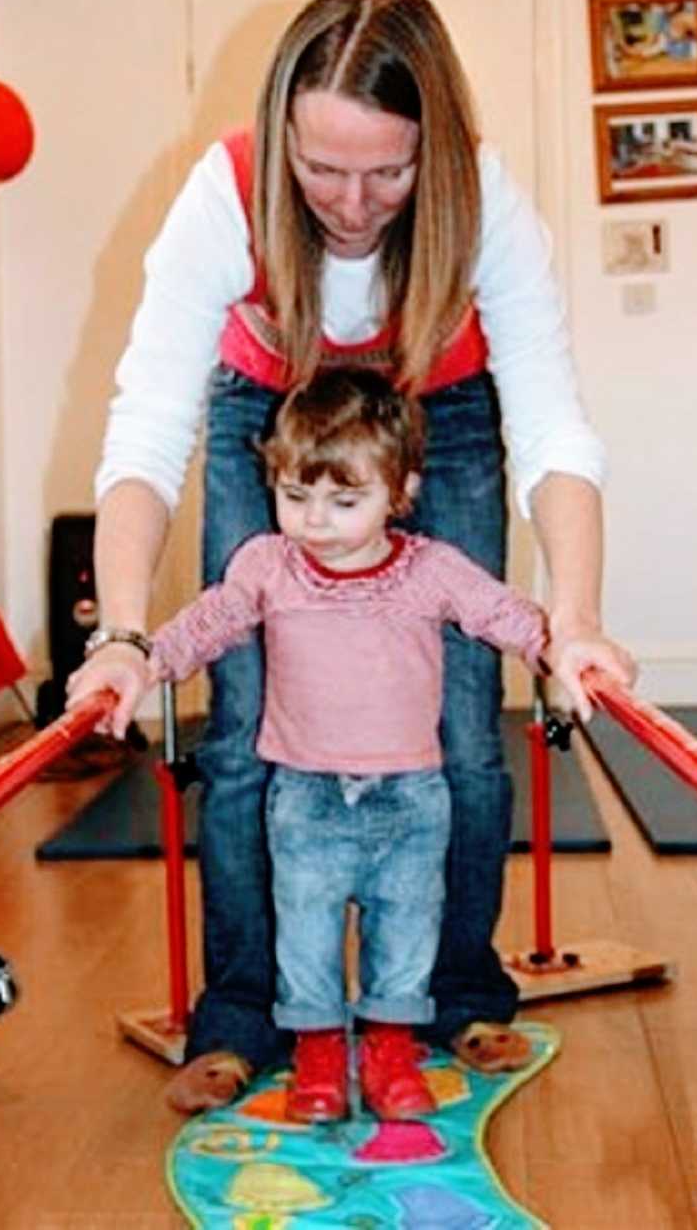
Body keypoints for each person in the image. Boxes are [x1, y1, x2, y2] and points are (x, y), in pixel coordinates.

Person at [66, 0, 635, 1115]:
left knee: (466, 734)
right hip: (264, 411)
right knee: (243, 736)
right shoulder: (224, 196)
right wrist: (125, 634)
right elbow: (148, 424)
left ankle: (455, 994)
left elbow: (554, 421)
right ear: (282, 134)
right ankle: (245, 1012)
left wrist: (572, 619)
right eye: (323, 168)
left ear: (437, 150)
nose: (353, 202)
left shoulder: (487, 209)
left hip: (450, 408)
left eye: (389, 170)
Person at [142, 368, 548, 1123]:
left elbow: (499, 611)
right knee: (305, 934)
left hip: (411, 799)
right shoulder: (268, 564)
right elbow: (211, 620)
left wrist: (558, 646)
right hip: (305, 798)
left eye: (344, 499)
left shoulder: (430, 569)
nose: (315, 520)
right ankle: (320, 1055)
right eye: (295, 496)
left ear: (402, 492)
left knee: (406, 931)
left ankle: (390, 1049)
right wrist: (142, 657)